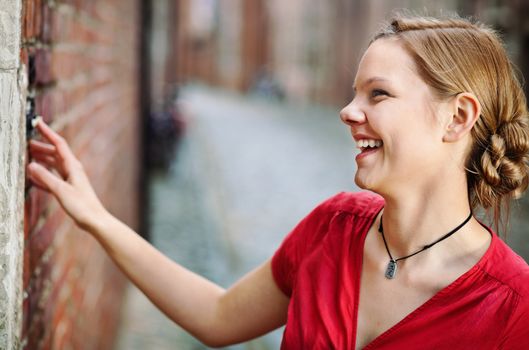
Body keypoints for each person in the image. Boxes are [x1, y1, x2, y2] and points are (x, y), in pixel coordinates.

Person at [27, 13, 529, 349]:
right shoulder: (331, 229)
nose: (348, 111)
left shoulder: (512, 308)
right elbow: (219, 316)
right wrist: (95, 217)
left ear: (457, 117)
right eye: (354, 93)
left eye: (378, 95)